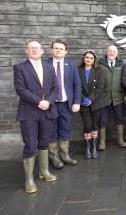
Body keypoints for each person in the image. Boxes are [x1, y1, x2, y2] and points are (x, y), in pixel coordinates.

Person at [14, 39, 58, 194]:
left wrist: (48, 102)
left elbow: (55, 88)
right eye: (31, 48)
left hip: (47, 111)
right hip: (29, 112)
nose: (34, 50)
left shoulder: (49, 68)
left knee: (44, 142)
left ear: (42, 51)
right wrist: (40, 101)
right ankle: (29, 179)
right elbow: (21, 89)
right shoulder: (20, 68)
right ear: (26, 51)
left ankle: (44, 171)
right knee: (30, 144)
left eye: (37, 48)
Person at [43, 39, 81, 169]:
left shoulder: (71, 66)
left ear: (66, 51)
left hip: (66, 105)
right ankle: (54, 158)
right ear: (52, 50)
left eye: (61, 48)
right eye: (56, 48)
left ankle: (65, 156)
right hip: (50, 105)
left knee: (65, 129)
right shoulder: (44, 64)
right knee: (51, 131)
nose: (58, 50)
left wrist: (76, 102)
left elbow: (77, 85)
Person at [78, 50, 109, 159]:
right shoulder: (78, 70)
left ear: (94, 60)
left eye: (91, 58)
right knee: (87, 125)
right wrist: (83, 99)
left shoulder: (98, 71)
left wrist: (90, 99)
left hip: (96, 101)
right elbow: (75, 86)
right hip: (83, 102)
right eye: (87, 57)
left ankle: (94, 147)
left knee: (95, 124)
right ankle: (87, 148)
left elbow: (100, 87)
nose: (89, 59)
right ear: (83, 58)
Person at [97, 45, 126, 150]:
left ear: (117, 53)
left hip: (118, 97)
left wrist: (125, 94)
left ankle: (120, 140)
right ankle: (101, 143)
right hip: (103, 97)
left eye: (114, 51)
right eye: (110, 51)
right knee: (102, 120)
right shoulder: (99, 64)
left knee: (119, 119)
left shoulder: (121, 64)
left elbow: (125, 80)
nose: (112, 53)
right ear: (106, 52)